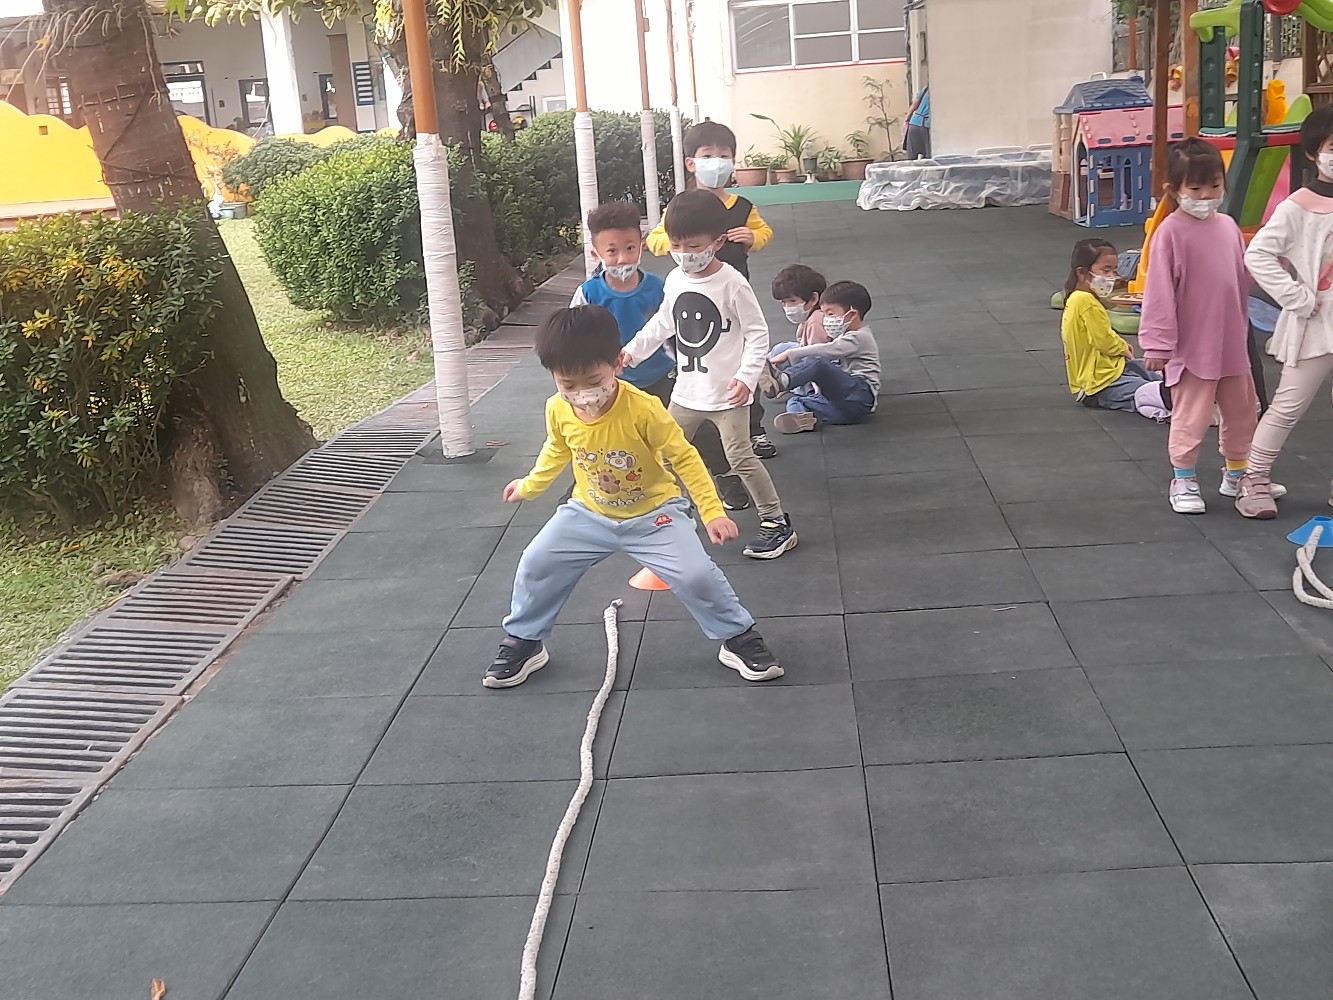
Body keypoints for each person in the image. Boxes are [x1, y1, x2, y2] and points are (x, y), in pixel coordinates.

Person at [486, 306, 782, 688]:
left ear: (617, 364)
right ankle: (525, 641)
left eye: (593, 380)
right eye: (568, 384)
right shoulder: (557, 408)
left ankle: (738, 637)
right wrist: (530, 485)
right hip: (589, 513)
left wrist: (712, 513)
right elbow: (557, 449)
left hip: (654, 516)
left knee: (696, 574)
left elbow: (685, 458)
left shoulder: (643, 409)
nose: (582, 393)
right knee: (536, 562)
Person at [623, 190, 798, 560]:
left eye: (693, 246)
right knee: (665, 455)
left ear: (718, 242)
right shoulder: (675, 278)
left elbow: (757, 333)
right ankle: (672, 515)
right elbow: (663, 323)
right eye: (676, 245)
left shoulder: (731, 283)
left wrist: (746, 378)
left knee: (740, 457)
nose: (684, 253)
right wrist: (631, 352)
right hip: (687, 393)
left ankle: (776, 522)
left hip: (728, 394)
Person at [648, 119, 777, 490]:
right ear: (691, 163)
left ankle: (753, 428)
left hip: (732, 295)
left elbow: (764, 233)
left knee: (743, 362)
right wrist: (677, 246)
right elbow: (656, 239)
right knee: (699, 358)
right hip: (692, 299)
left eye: (724, 155)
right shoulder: (681, 207)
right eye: (708, 155)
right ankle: (705, 432)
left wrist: (753, 237)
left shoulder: (742, 206)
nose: (716, 162)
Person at [1139, 138, 1262, 515]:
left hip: (1232, 343)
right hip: (1193, 348)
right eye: (1195, 188)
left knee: (1243, 413)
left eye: (1214, 185)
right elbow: (1159, 293)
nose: (1206, 195)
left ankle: (1237, 473)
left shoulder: (1227, 226)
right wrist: (1157, 344)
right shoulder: (1171, 233)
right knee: (1190, 417)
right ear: (1174, 189)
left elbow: (1241, 276)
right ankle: (1183, 478)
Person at [1234, 104, 1333, 518]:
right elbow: (1258, 254)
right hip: (1316, 324)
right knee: (1288, 405)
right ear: (1313, 152)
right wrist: (1298, 298)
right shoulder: (1297, 206)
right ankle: (1253, 477)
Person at [570, 202, 671, 406]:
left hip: (660, 378)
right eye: (612, 251)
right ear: (595, 255)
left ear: (641, 248)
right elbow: (573, 337)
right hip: (611, 383)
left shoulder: (658, 288)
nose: (623, 259)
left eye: (630, 248)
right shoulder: (588, 294)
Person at [1061, 238, 1170, 418]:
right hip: (1102, 382)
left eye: (1114, 270)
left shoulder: (1077, 299)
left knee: (1150, 371)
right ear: (1082, 273)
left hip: (1110, 370)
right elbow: (1103, 340)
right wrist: (1122, 347)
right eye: (1106, 270)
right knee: (1149, 391)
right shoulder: (1085, 300)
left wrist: (1121, 347)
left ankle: (1177, 393)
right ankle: (1173, 402)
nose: (1112, 276)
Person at [762, 281, 881, 433]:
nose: (825, 320)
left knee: (817, 363)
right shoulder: (844, 336)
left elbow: (828, 350)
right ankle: (803, 418)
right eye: (823, 314)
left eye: (830, 314)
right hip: (845, 407)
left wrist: (789, 355)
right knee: (796, 400)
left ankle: (781, 381)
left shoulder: (860, 337)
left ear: (852, 314)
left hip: (860, 393)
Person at [904, 86, 931, 161]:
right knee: (929, 158)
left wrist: (907, 119)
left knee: (912, 157)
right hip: (927, 126)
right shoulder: (941, 93)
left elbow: (914, 104)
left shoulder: (925, 89)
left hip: (914, 123)